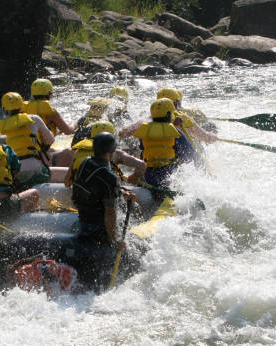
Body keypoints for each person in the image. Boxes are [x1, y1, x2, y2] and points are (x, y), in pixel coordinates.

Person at [70, 132, 137, 290]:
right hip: (98, 229)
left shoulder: (86, 162)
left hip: (83, 220)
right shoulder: (110, 178)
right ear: (111, 152)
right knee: (129, 252)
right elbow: (109, 212)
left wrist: (121, 192)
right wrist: (114, 240)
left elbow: (96, 187)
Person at [0, 92, 68, 186]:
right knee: (70, 173)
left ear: (4, 109)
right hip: (34, 168)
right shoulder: (34, 118)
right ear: (22, 105)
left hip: (13, 175)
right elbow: (50, 140)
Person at [131, 98, 198, 188]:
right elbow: (189, 153)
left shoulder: (144, 131)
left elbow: (144, 149)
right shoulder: (174, 131)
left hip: (149, 175)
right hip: (169, 174)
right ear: (168, 115)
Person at [65, 121, 147, 188]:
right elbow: (142, 165)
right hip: (105, 196)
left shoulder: (79, 151)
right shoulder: (116, 153)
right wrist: (134, 177)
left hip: (80, 194)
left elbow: (67, 181)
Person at [24, 78, 76, 167]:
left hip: (26, 152)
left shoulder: (23, 110)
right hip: (39, 159)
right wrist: (75, 123)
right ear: (49, 94)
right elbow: (68, 131)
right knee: (71, 154)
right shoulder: (51, 112)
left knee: (52, 150)